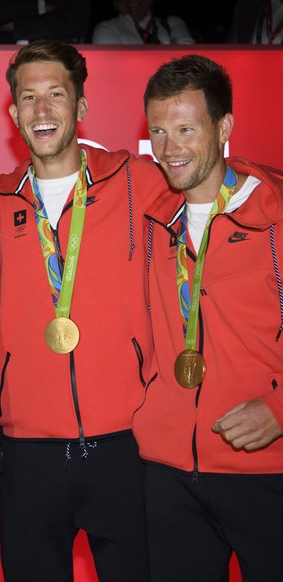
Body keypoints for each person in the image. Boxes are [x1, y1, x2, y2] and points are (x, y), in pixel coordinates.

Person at [0, 40, 168, 581]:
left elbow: (213, 176)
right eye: (29, 97)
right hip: (27, 453)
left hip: (127, 445)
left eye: (57, 95)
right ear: (14, 112)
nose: (42, 111)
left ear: (81, 108)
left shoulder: (141, 181)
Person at [136, 54, 283, 581]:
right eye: (157, 130)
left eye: (185, 129)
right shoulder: (151, 218)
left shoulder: (275, 214)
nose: (170, 147)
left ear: (224, 128)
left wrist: (281, 409)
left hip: (266, 468)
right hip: (168, 471)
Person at [0, 0, 92, 43]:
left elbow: (77, 21)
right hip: (4, 49)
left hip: (58, 49)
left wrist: (18, 26)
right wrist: (41, 7)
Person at [92, 0, 195, 44]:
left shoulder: (172, 23)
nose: (133, 1)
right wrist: (173, 57)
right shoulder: (105, 28)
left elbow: (190, 62)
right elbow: (116, 66)